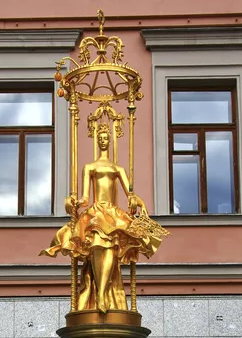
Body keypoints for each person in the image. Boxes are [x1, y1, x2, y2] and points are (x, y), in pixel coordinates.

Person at [40, 124, 166, 313]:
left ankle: (103, 292)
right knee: (98, 244)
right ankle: (100, 293)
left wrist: (136, 201)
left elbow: (130, 192)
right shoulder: (89, 167)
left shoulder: (118, 168)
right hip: (97, 213)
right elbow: (85, 197)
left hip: (113, 214)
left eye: (106, 137)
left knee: (112, 249)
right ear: (97, 140)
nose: (103, 140)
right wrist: (72, 202)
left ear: (110, 140)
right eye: (100, 137)